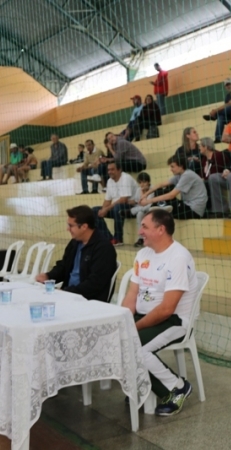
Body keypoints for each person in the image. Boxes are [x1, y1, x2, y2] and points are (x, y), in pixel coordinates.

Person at [121, 209, 199, 416]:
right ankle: (144, 384)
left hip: (173, 321)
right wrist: (122, 321)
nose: (140, 231)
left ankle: (177, 387)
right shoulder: (143, 253)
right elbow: (132, 294)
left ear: (161, 229)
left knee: (136, 346)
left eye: (144, 227)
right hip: (146, 317)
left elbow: (166, 309)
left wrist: (134, 326)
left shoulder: (178, 258)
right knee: (117, 339)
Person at [35, 205, 117, 301]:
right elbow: (64, 266)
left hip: (88, 300)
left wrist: (66, 292)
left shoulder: (103, 248)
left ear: (84, 227)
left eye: (71, 226)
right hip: (69, 295)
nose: (67, 229)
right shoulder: (75, 242)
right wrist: (48, 276)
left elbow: (95, 283)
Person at [140, 155, 208, 219]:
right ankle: (160, 208)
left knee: (164, 204)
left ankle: (157, 209)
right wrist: (145, 195)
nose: (171, 169)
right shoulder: (179, 175)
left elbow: (171, 195)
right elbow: (160, 185)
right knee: (159, 191)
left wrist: (148, 201)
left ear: (181, 166)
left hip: (194, 211)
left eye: (172, 166)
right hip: (186, 206)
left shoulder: (187, 175)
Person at [92, 161, 138, 246]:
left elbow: (124, 200)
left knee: (117, 207)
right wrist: (103, 210)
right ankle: (108, 239)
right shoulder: (109, 181)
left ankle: (118, 239)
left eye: (112, 169)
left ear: (119, 169)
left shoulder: (126, 178)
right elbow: (107, 200)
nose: (109, 172)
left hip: (131, 207)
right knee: (94, 210)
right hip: (117, 207)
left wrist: (107, 209)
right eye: (108, 170)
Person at [203, 78, 231, 143]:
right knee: (221, 117)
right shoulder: (227, 96)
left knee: (228, 108)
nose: (228, 86)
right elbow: (226, 108)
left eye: (229, 84)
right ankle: (218, 138)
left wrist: (215, 111)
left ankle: (214, 116)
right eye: (226, 85)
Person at [122, 172, 160, 248]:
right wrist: (132, 201)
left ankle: (131, 212)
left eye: (144, 182)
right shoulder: (138, 189)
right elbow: (137, 201)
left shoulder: (152, 189)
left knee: (145, 208)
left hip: (150, 208)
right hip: (141, 209)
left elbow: (148, 203)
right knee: (139, 213)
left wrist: (139, 203)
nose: (142, 184)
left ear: (148, 182)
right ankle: (140, 238)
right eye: (140, 182)